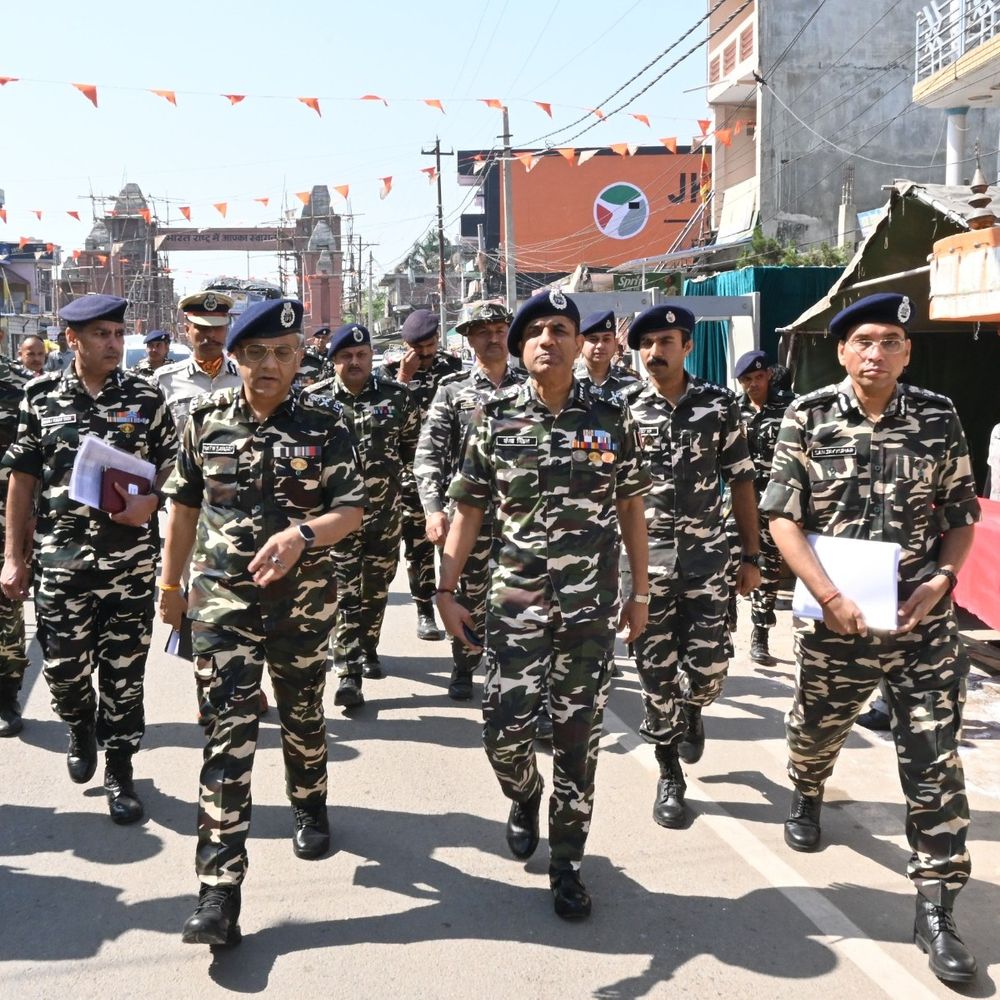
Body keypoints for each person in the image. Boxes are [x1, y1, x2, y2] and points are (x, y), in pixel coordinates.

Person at [761, 293, 980, 984]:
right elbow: (782, 518)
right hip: (836, 620)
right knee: (816, 730)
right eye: (864, 341)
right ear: (842, 351)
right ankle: (807, 786)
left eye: (890, 341)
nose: (876, 353)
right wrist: (827, 596)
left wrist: (942, 581)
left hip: (920, 622)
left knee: (935, 760)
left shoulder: (938, 417)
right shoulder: (809, 415)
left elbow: (962, 515)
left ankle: (937, 904)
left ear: (907, 352)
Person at [436, 288, 651, 920]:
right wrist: (445, 589)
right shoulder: (495, 416)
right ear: (520, 347)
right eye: (535, 331)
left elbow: (631, 506)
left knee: (578, 743)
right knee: (503, 737)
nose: (547, 340)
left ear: (579, 342)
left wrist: (640, 591)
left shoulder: (611, 417)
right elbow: (468, 509)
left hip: (588, 613)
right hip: (516, 607)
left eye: (560, 329)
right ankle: (524, 792)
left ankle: (567, 865)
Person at [158, 297, 367, 948]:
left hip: (303, 604)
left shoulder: (326, 424)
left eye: (282, 353)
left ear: (299, 358)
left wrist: (303, 535)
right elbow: (183, 508)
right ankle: (218, 892)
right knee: (227, 736)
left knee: (303, 717)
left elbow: (351, 510)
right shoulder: (205, 420)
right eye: (255, 353)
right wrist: (170, 587)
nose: (269, 364)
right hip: (223, 604)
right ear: (236, 358)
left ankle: (309, 801)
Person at [0, 294, 177, 822]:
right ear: (72, 339)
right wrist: (13, 558)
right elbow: (22, 481)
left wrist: (154, 500)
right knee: (63, 671)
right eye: (102, 334)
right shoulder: (40, 397)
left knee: (125, 676)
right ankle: (80, 725)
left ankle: (120, 770)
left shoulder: (146, 397)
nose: (114, 344)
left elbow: (175, 467)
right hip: (62, 563)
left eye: (118, 334)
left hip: (130, 565)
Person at [622, 305, 760, 829]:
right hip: (646, 566)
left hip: (708, 561)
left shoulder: (719, 404)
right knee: (655, 675)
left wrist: (751, 555)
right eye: (647, 343)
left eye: (665, 341)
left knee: (709, 670)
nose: (654, 352)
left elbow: (741, 480)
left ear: (687, 346)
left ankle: (694, 708)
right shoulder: (624, 409)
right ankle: (669, 773)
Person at [305, 322, 418, 708]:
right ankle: (348, 671)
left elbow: (411, 451)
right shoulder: (314, 401)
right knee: (343, 592)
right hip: (335, 519)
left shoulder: (397, 397)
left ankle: (367, 647)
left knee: (376, 589)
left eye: (361, 355)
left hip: (384, 517)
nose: (354, 361)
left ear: (371, 357)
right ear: (333, 360)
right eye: (346, 356)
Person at [414, 301, 521, 701]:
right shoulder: (452, 390)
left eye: (499, 330)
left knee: (519, 598)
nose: (493, 338)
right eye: (483, 332)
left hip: (520, 518)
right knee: (468, 597)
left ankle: (514, 676)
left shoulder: (531, 385)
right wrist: (433, 510)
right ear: (468, 339)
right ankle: (464, 662)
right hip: (466, 518)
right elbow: (428, 455)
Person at [378, 309, 462, 641]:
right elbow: (383, 422)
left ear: (438, 339)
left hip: (450, 474)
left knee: (455, 546)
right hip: (410, 477)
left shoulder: (454, 370)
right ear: (405, 345)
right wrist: (403, 378)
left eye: (429, 345)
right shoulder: (389, 375)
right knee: (418, 547)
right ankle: (424, 610)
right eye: (418, 347)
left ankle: (454, 607)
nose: (425, 353)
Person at [733, 350, 795, 663]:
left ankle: (760, 633)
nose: (754, 384)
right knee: (726, 558)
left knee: (768, 568)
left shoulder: (791, 408)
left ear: (768, 375)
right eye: (747, 380)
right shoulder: (733, 410)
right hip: (738, 500)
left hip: (775, 502)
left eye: (759, 377)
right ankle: (725, 618)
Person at [155, 291, 241, 437]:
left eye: (218, 327)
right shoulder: (165, 380)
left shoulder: (246, 377)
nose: (211, 335)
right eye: (202, 327)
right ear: (187, 330)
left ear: (226, 329)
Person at [0, 354, 31, 737]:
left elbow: (32, 460)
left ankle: (5, 695)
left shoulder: (19, 386)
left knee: (5, 609)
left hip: (5, 515)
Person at [574, 310, 638, 396]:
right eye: (593, 339)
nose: (600, 345)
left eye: (606, 339)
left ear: (615, 343)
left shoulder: (631, 380)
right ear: (580, 343)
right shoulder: (567, 380)